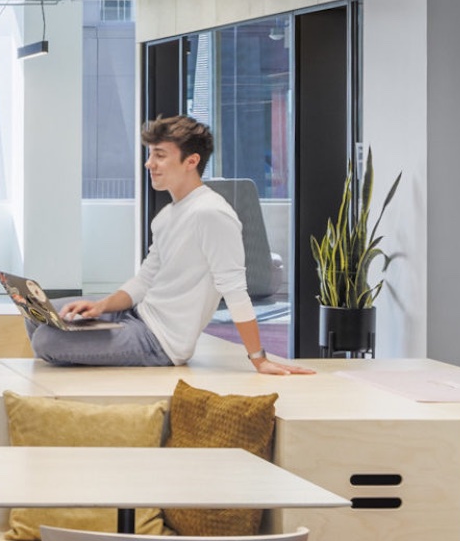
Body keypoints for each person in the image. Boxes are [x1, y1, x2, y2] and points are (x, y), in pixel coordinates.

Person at [29, 115, 313, 376]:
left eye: (160, 155)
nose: (149, 163)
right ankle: (87, 348)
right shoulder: (169, 214)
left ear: (191, 161)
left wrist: (259, 359)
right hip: (138, 314)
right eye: (150, 154)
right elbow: (144, 281)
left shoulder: (212, 214)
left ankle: (88, 355)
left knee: (46, 339)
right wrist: (100, 306)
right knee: (40, 314)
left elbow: (235, 291)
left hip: (159, 340)